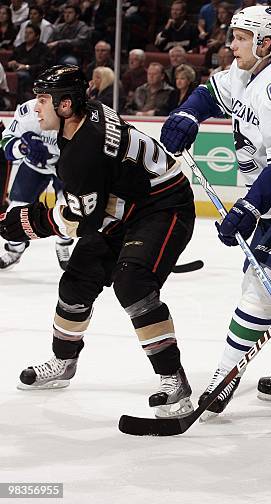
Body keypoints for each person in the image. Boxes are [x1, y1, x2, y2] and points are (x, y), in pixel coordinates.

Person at [0, 65, 196, 420]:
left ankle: (173, 379)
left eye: (43, 100)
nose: (36, 107)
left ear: (64, 105)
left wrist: (21, 223)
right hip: (124, 205)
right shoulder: (82, 120)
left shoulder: (85, 149)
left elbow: (76, 221)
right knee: (76, 282)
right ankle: (63, 362)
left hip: (163, 208)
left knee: (133, 284)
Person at [160, 6, 271, 421]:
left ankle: (223, 377)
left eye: (240, 38)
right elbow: (211, 92)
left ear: (266, 42)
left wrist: (250, 203)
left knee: (261, 289)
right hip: (269, 204)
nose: (231, 44)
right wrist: (190, 112)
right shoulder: (244, 74)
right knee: (268, 290)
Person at [0, 98, 73, 270]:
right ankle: (15, 249)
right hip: (34, 166)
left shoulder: (74, 110)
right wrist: (24, 148)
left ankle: (63, 245)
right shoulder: (28, 110)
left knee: (69, 209)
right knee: (15, 210)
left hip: (65, 165)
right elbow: (5, 141)